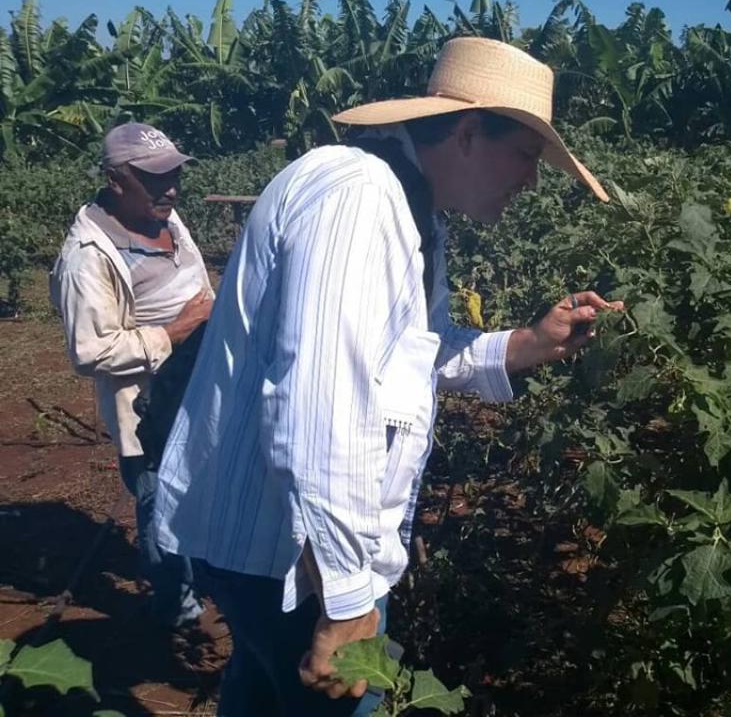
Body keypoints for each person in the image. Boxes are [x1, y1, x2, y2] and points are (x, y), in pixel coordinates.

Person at [153, 37, 622, 716]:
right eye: (526, 154)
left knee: (259, 690)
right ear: (467, 134)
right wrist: (346, 597)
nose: (532, 181)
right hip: (296, 560)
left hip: (284, 546)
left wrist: (528, 343)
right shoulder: (359, 200)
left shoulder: (407, 206)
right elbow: (322, 405)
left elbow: (411, 350)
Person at [50, 122, 213, 628]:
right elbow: (90, 351)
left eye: (174, 175)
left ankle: (198, 580)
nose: (171, 189)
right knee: (158, 498)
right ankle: (175, 606)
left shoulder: (164, 216)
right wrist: (176, 331)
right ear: (115, 180)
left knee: (198, 489)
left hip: (196, 385)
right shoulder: (87, 257)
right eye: (154, 178)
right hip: (149, 405)